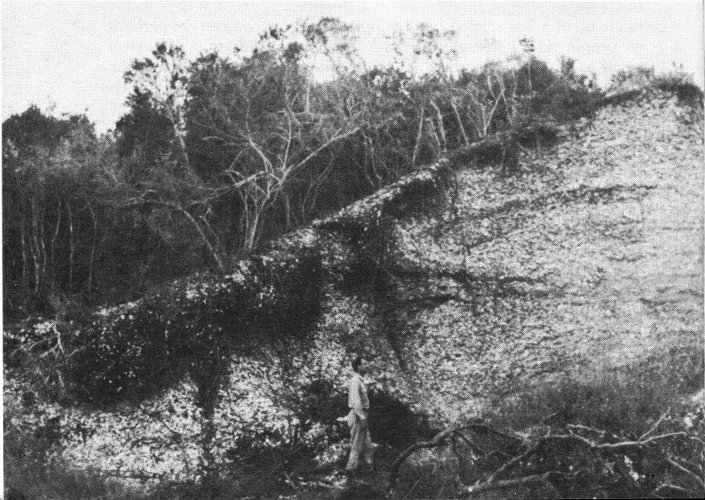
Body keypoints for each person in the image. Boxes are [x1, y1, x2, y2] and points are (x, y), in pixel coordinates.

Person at [344, 356, 374, 484]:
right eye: (365, 364)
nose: (367, 366)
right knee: (356, 444)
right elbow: (356, 401)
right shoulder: (355, 380)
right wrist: (362, 417)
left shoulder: (360, 380)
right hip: (357, 416)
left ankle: (369, 471)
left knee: (367, 445)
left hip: (362, 415)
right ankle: (350, 474)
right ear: (358, 367)